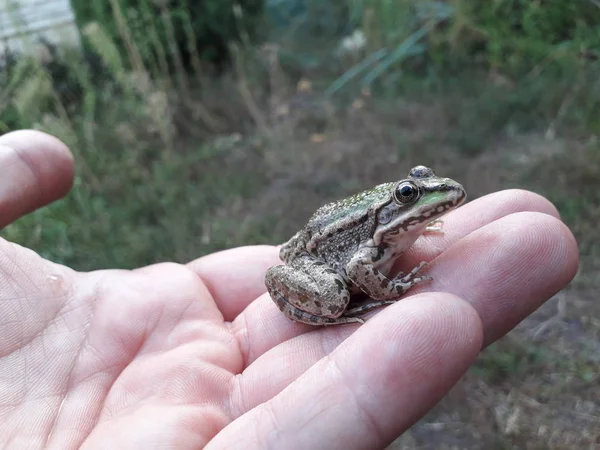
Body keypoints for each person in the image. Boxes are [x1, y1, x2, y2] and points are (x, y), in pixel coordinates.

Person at [0, 130, 578, 449]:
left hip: (311, 242)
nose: (427, 199)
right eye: (410, 197)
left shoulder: (394, 222)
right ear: (391, 205)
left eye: (418, 192)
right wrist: (387, 289)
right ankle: (329, 317)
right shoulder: (372, 240)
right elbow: (357, 271)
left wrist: (413, 224)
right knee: (337, 294)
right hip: (315, 261)